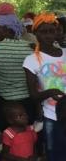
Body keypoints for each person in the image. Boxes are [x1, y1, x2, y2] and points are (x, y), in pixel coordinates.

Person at [23, 13, 66, 161]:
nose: (48, 36)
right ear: (35, 33)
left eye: (51, 31)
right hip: (51, 116)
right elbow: (33, 95)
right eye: (43, 32)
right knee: (56, 155)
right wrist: (50, 92)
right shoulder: (31, 60)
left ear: (57, 32)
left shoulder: (65, 54)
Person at [0, 2, 34, 131]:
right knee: (27, 134)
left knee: (7, 135)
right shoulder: (29, 47)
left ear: (6, 29)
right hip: (27, 101)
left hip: (6, 102)